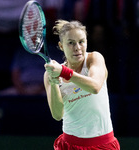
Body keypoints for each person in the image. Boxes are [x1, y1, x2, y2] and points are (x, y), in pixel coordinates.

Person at [44, 20, 120, 149]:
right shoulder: (51, 74)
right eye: (71, 43)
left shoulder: (94, 59)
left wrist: (64, 72)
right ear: (61, 46)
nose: (77, 47)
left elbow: (95, 87)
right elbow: (57, 115)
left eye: (81, 42)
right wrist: (54, 83)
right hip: (69, 144)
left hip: (103, 144)